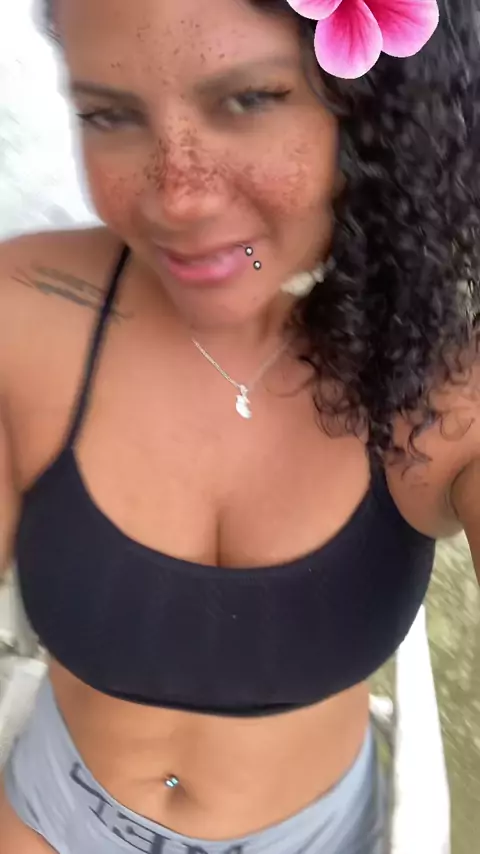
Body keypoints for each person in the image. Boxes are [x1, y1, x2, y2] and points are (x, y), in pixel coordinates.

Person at [0, 0, 479, 851]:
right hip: (53, 817)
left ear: (374, 109)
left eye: (249, 99)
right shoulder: (26, 312)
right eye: (109, 115)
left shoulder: (440, 385)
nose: (177, 198)